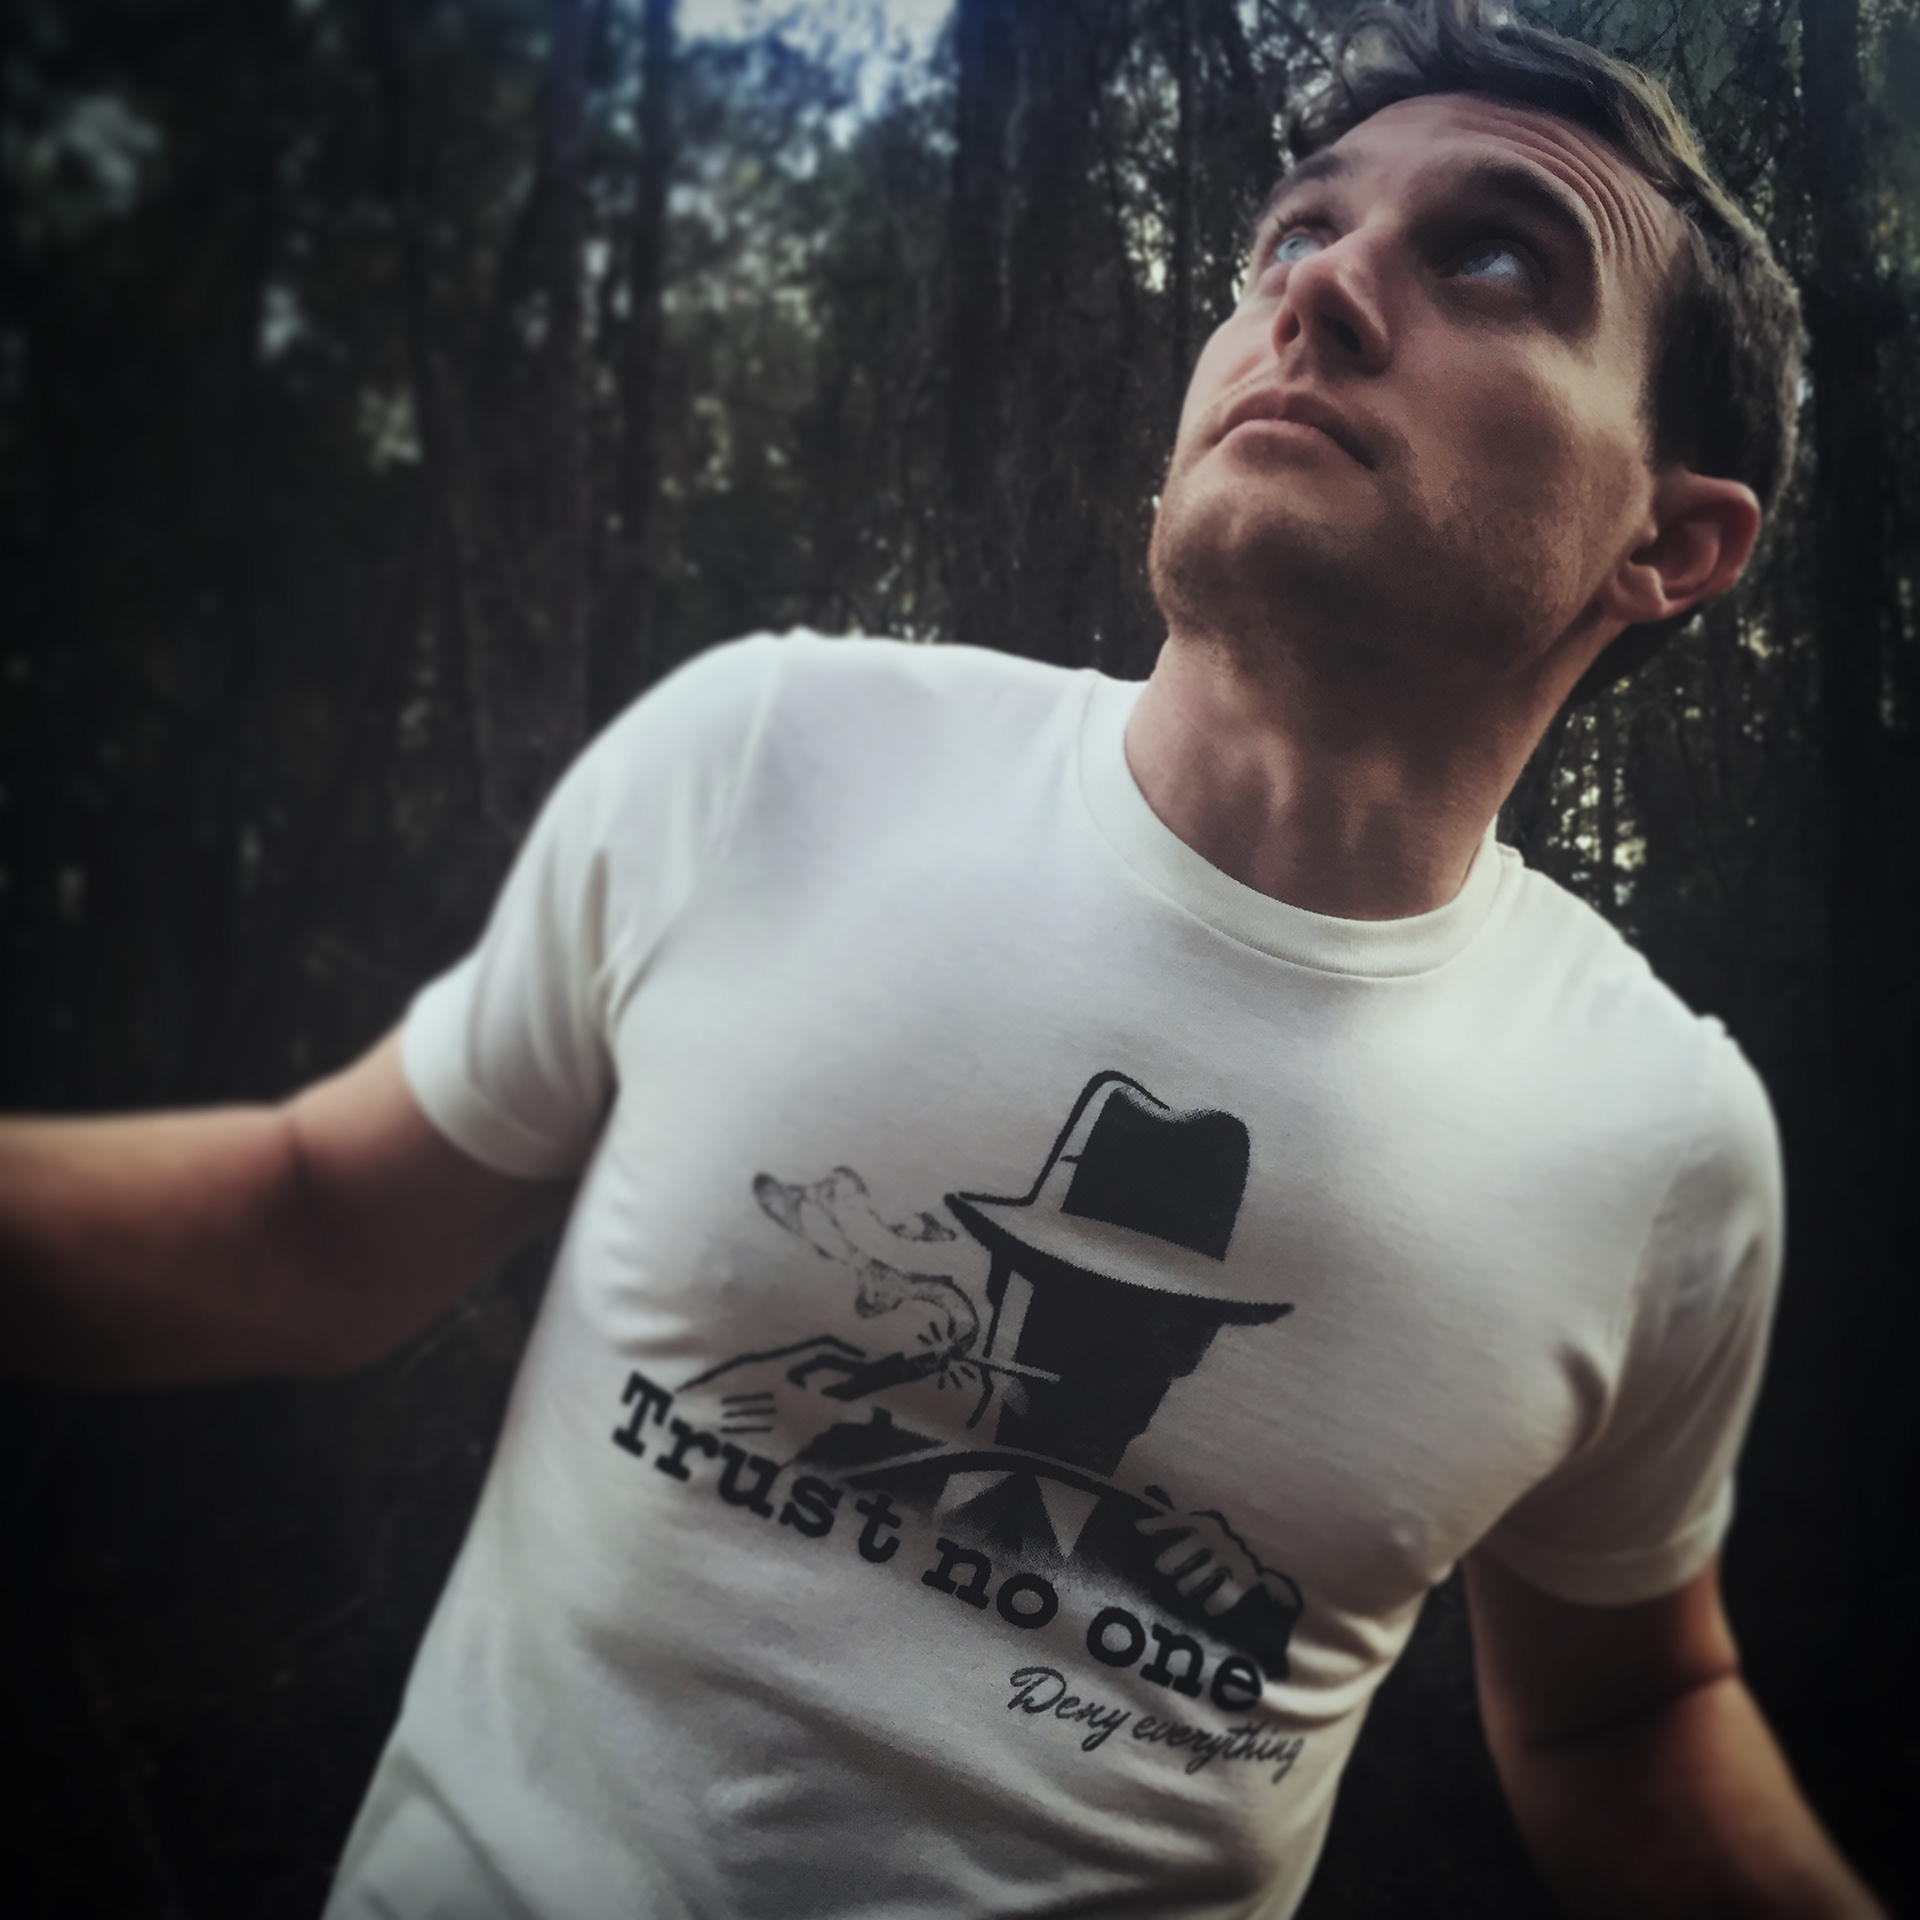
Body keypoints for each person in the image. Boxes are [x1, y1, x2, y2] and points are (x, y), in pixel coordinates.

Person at [0, 2, 1888, 1914]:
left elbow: (1621, 1720)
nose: (1317, 289)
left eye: (1493, 259)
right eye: (1298, 231)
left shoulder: (1654, 1142)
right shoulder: (773, 759)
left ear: (1672, 543)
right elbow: (321, 1224)